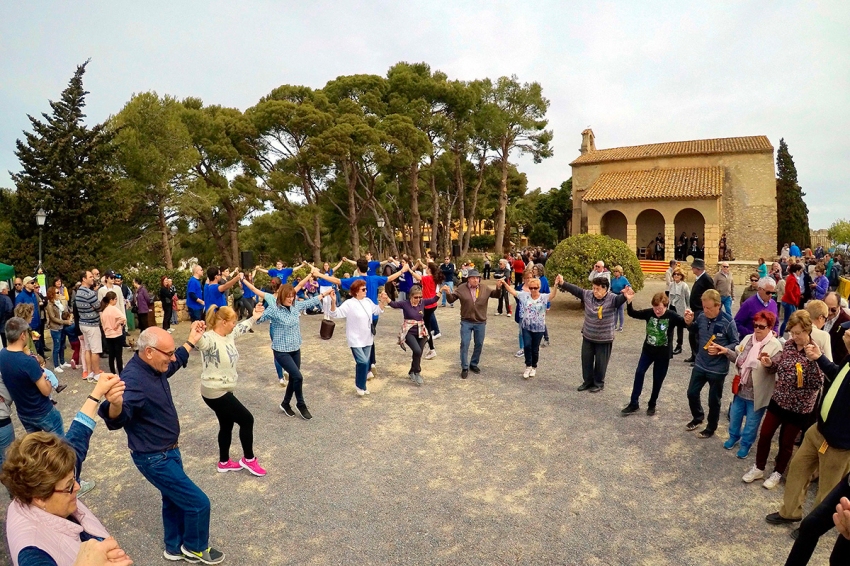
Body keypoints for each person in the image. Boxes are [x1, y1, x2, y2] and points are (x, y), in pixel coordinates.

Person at [98, 323, 226, 564]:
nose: (172, 357)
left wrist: (191, 340)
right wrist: (115, 404)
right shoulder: (133, 380)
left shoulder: (154, 367)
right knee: (198, 503)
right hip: (154, 458)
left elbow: (174, 364)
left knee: (174, 499)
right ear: (149, 352)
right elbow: (117, 417)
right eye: (168, 353)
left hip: (168, 451)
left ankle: (173, 547)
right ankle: (196, 547)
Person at [0, 374, 134, 566]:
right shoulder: (32, 552)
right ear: (39, 497)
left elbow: (78, 436)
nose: (77, 486)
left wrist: (97, 392)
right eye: (70, 486)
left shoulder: (47, 481)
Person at [767, 330, 850, 542]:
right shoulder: (849, 359)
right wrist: (819, 358)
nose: (846, 333)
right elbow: (837, 374)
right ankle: (789, 513)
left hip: (839, 444)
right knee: (797, 468)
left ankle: (811, 528)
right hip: (818, 431)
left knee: (827, 490)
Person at [742, 311, 824, 490]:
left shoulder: (814, 351)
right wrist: (770, 364)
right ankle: (759, 467)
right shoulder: (788, 345)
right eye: (792, 332)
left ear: (807, 330)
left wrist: (813, 363)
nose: (794, 336)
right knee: (765, 434)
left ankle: (778, 472)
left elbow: (818, 383)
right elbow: (779, 366)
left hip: (798, 407)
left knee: (786, 443)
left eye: (798, 333)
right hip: (779, 399)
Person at [196, 302, 267, 477]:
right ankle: (249, 459)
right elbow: (200, 343)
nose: (235, 325)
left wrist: (255, 316)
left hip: (224, 389)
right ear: (223, 322)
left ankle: (224, 462)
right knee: (247, 420)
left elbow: (243, 327)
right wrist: (196, 333)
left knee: (226, 424)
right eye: (233, 322)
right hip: (214, 391)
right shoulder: (209, 338)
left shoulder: (229, 335)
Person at [313, 261, 407, 380]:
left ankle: (367, 367)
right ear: (368, 268)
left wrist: (319, 275)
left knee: (364, 339)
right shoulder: (374, 279)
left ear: (357, 268)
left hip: (364, 314)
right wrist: (402, 271)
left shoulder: (355, 281)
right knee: (369, 337)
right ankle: (371, 363)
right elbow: (389, 278)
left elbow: (337, 281)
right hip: (374, 316)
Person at [251, 277, 332, 414]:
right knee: (298, 377)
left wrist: (325, 293)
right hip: (281, 350)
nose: (291, 299)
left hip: (295, 348)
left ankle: (285, 403)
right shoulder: (274, 309)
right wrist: (257, 314)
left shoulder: (295, 306)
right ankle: (301, 404)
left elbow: (310, 301)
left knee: (294, 378)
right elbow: (259, 320)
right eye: (288, 297)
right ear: (282, 296)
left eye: (292, 296)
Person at [714, 310, 783, 458]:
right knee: (735, 416)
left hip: (757, 394)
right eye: (755, 325)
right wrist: (726, 351)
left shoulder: (775, 346)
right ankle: (733, 437)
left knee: (751, 423)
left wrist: (769, 364)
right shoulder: (747, 339)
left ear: (770, 328)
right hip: (740, 389)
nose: (757, 329)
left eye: (761, 326)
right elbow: (738, 359)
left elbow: (776, 370)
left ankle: (746, 444)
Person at [683, 289, 740, 438]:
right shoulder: (702, 316)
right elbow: (695, 329)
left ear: (718, 305)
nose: (705, 310)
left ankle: (711, 427)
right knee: (691, 393)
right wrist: (689, 323)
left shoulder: (728, 321)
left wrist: (723, 349)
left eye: (708, 308)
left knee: (713, 400)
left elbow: (736, 343)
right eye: (704, 307)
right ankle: (698, 417)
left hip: (717, 369)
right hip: (701, 363)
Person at [558, 273, 628, 393]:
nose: (594, 291)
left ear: (605, 289)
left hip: (604, 338)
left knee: (601, 363)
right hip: (588, 336)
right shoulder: (588, 295)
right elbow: (576, 290)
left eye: (598, 289)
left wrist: (626, 295)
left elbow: (620, 299)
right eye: (593, 288)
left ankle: (598, 383)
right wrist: (562, 283)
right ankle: (587, 382)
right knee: (586, 361)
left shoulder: (612, 298)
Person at [620, 289, 685, 416]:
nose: (657, 311)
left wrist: (688, 319)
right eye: (655, 308)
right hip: (648, 351)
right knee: (639, 372)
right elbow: (633, 313)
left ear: (665, 306)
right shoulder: (649, 313)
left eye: (659, 308)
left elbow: (685, 324)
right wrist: (629, 301)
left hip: (663, 354)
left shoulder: (672, 316)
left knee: (657, 379)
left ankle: (652, 403)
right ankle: (634, 403)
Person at [0, 317, 64, 436]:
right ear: (22, 335)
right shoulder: (29, 362)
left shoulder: (2, 355)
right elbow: (46, 391)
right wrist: (47, 379)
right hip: (43, 411)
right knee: (58, 444)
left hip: (24, 413)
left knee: (35, 444)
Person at [329, 279, 388, 395]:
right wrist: (333, 302)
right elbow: (335, 313)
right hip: (354, 339)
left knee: (365, 363)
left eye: (366, 289)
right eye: (363, 289)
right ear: (356, 291)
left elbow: (377, 310)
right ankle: (360, 386)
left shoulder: (368, 301)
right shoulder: (349, 303)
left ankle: (362, 386)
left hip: (367, 338)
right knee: (363, 362)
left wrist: (382, 301)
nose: (366, 291)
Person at [441, 269, 502, 379]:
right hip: (466, 321)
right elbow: (451, 300)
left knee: (479, 343)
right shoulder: (461, 288)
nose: (475, 280)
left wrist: (498, 288)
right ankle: (464, 367)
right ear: (468, 279)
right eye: (473, 278)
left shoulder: (484, 288)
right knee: (465, 343)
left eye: (477, 278)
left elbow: (496, 295)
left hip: (480, 321)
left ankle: (474, 363)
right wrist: (448, 292)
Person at [502, 276, 559, 379]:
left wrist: (555, 285)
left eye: (535, 288)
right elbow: (512, 291)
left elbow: (553, 295)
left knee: (535, 348)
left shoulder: (543, 297)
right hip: (526, 326)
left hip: (539, 327)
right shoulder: (524, 296)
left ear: (539, 287)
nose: (533, 290)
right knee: (527, 346)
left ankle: (534, 366)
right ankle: (528, 366)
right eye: (531, 288)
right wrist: (504, 283)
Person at [387, 284, 439, 385]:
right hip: (409, 332)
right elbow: (393, 304)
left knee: (418, 353)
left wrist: (441, 291)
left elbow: (433, 300)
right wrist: (386, 298)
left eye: (420, 297)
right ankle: (417, 372)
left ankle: (411, 371)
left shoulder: (422, 302)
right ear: (411, 296)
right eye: (416, 297)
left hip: (421, 331)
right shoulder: (405, 304)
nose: (418, 299)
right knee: (417, 350)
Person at [684, 258, 715, 364]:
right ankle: (694, 355)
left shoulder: (706, 278)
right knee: (692, 334)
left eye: (693, 267)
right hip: (695, 309)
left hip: (701, 310)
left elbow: (712, 294)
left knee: (697, 335)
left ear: (698, 268)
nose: (692, 268)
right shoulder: (699, 278)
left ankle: (698, 358)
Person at [74, 271, 101, 381]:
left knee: (87, 349)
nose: (92, 278)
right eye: (90, 277)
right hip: (92, 324)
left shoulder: (79, 291)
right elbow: (98, 306)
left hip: (83, 323)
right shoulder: (89, 293)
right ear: (84, 279)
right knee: (95, 350)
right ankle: (97, 373)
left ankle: (89, 372)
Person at [418, 262, 443, 359]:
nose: (425, 268)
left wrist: (409, 270)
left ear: (429, 269)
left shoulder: (428, 278)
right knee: (426, 326)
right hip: (432, 304)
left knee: (426, 328)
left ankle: (431, 349)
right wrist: (421, 263)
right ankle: (429, 345)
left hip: (427, 305)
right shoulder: (434, 277)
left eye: (427, 267)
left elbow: (418, 277)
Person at [15, 276, 45, 358]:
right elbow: (18, 314)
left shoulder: (34, 294)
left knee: (39, 348)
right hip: (28, 328)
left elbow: (37, 309)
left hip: (37, 325)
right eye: (32, 283)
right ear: (26, 284)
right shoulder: (20, 297)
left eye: (34, 282)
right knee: (32, 350)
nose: (34, 284)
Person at [45, 286, 71, 372]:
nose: (59, 294)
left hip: (62, 327)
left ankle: (62, 362)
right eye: (57, 292)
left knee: (62, 345)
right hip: (55, 328)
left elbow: (63, 312)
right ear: (52, 294)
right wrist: (65, 322)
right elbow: (53, 318)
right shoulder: (50, 305)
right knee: (57, 347)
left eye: (58, 292)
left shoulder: (59, 302)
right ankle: (56, 366)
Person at [99, 292, 126, 375]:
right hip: (117, 334)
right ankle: (120, 372)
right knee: (118, 355)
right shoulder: (114, 309)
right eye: (115, 299)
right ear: (111, 300)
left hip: (108, 335)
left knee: (111, 355)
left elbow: (103, 324)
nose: (116, 301)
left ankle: (113, 372)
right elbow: (123, 318)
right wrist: (117, 324)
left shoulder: (104, 311)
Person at [668, 268, 690, 355]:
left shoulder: (684, 286)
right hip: (672, 307)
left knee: (680, 328)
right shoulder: (671, 285)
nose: (676, 276)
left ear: (681, 276)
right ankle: (669, 345)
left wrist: (688, 308)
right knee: (670, 327)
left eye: (678, 274)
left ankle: (679, 346)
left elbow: (688, 298)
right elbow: (669, 296)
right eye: (675, 274)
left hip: (680, 308)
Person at [825, 292, 850, 361]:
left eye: (833, 309)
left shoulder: (846, 322)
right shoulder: (820, 314)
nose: (829, 312)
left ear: (839, 306)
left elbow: (841, 354)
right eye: (827, 308)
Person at [780, 263, 804, 335]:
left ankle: (788, 333)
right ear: (796, 271)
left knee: (790, 319)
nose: (800, 273)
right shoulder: (792, 278)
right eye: (800, 271)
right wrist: (794, 300)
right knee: (788, 319)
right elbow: (789, 291)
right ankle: (781, 335)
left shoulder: (792, 277)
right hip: (789, 302)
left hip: (790, 301)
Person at [610, 266, 630, 332]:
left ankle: (621, 326)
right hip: (614, 296)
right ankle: (614, 325)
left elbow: (628, 286)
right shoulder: (613, 280)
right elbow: (611, 287)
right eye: (614, 271)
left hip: (621, 296)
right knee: (615, 310)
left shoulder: (623, 279)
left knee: (620, 311)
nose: (615, 273)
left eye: (616, 271)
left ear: (620, 272)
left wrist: (624, 290)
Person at [0, 281, 13, 347]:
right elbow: (10, 310)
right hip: (5, 326)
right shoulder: (6, 299)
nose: (8, 290)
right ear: (3, 290)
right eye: (7, 288)